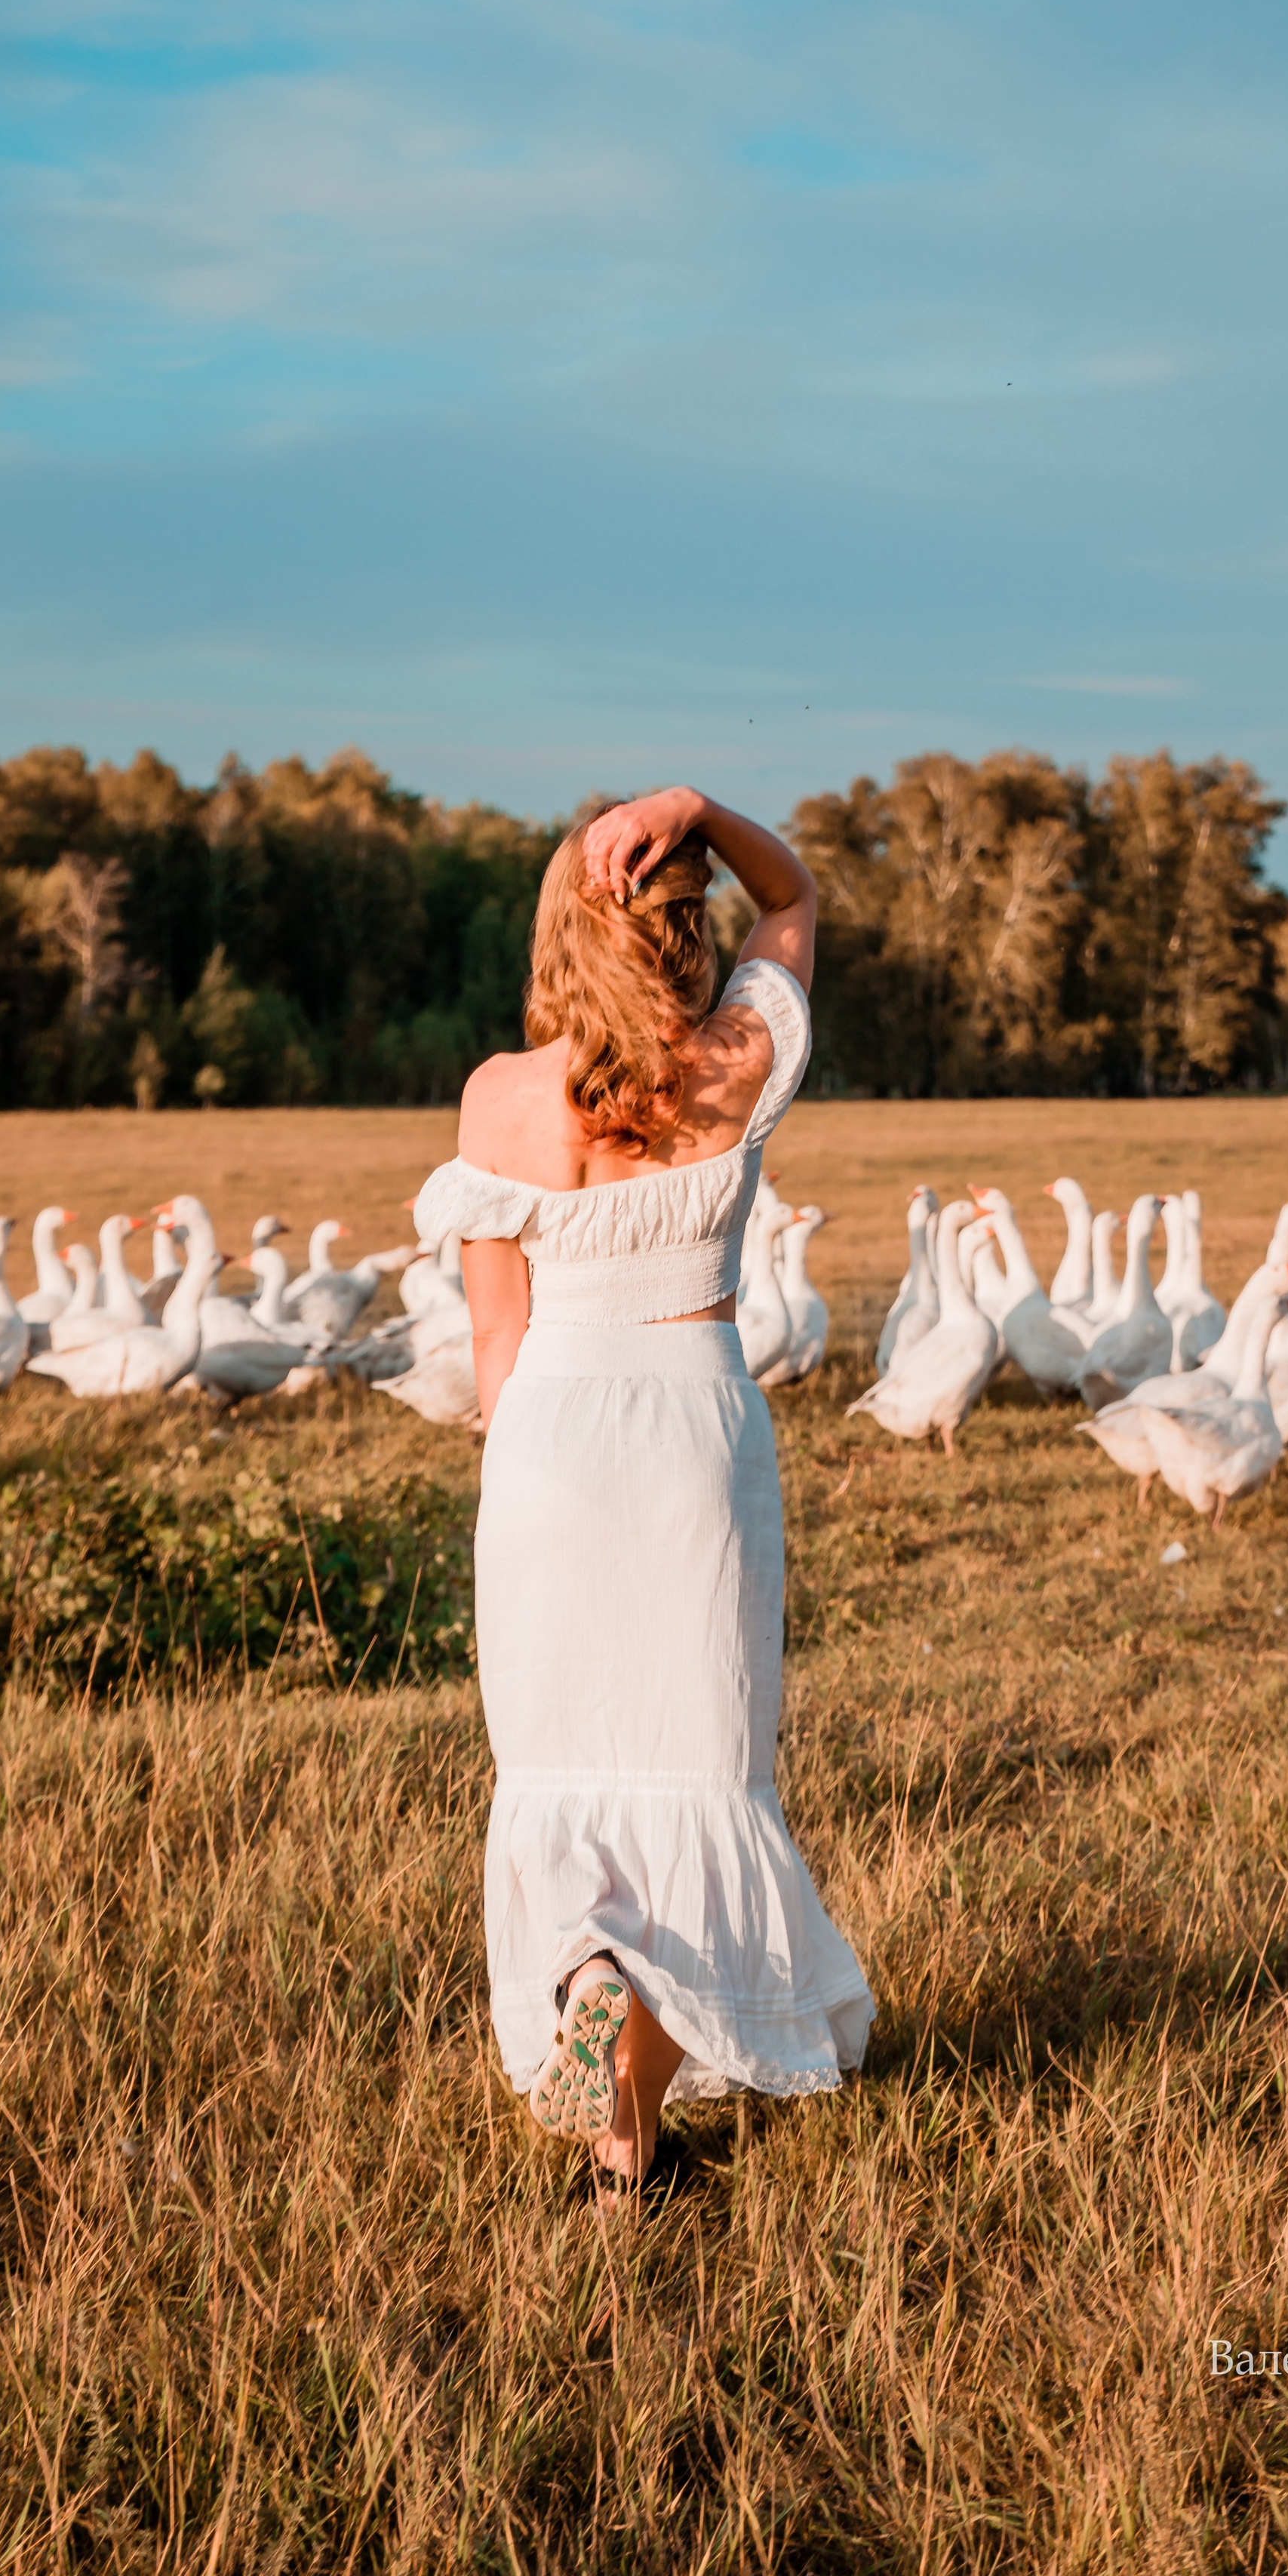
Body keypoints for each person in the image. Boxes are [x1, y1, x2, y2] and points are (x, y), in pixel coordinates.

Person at [414, 784, 874, 2196]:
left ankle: (602, 2022)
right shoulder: (736, 1063)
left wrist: (531, 1478)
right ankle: (630, 2130)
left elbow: (497, 1342)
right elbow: (794, 901)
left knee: (565, 1773)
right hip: (690, 1423)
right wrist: (703, 806)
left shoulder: (499, 1099)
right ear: (685, 930)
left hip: (550, 1442)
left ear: (561, 930)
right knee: (696, 1776)